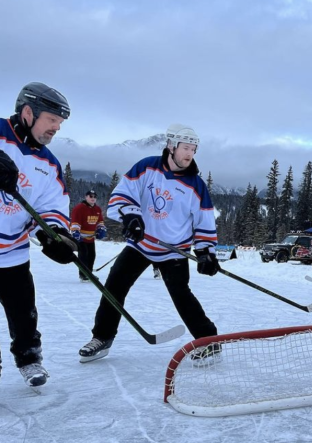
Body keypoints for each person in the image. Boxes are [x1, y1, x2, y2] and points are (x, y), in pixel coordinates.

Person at [78, 124, 221, 362]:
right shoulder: (146, 167)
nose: (189, 154)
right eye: (185, 148)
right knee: (114, 287)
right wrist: (132, 215)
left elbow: (204, 220)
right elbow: (123, 194)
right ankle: (102, 338)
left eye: (193, 150)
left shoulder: (196, 185)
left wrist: (206, 251)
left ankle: (209, 342)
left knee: (181, 294)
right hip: (141, 244)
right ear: (171, 146)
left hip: (173, 250)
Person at [0, 82, 77, 388]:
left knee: (23, 314)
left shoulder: (48, 164)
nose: (56, 128)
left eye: (59, 124)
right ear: (29, 113)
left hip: (13, 253)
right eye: (52, 120)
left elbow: (51, 207)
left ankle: (29, 358)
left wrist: (52, 235)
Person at [71, 189, 107, 281]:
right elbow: (75, 221)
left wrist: (101, 229)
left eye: (95, 196)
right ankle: (83, 275)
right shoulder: (79, 208)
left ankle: (89, 273)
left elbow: (100, 221)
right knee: (83, 256)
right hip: (81, 238)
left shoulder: (97, 209)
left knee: (92, 255)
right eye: (90, 196)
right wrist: (75, 232)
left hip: (91, 238)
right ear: (86, 197)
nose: (93, 198)